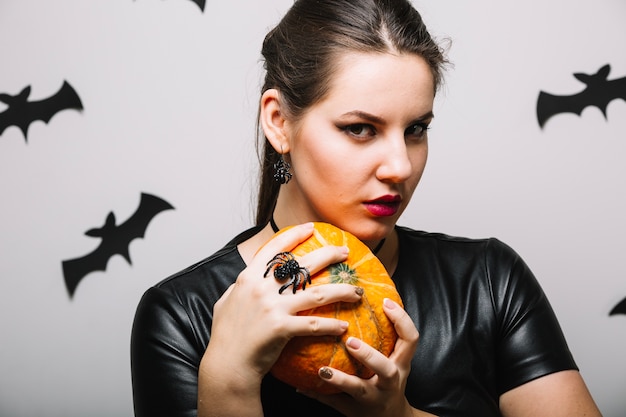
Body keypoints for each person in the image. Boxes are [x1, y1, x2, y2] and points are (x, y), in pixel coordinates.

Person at [130, 0, 603, 416]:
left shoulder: (487, 281)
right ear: (279, 123)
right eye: (360, 129)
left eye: (416, 129)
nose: (399, 166)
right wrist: (229, 380)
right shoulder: (183, 316)